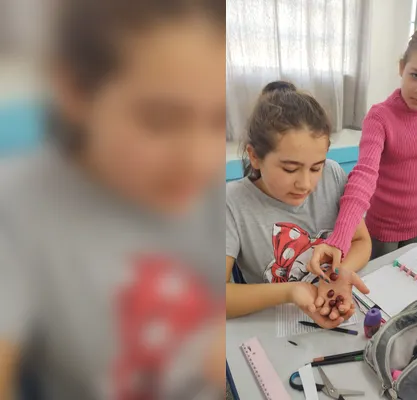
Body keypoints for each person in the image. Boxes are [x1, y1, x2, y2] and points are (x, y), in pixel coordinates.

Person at [0, 0, 226, 398]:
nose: (199, 160)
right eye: (161, 119)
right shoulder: (20, 210)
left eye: (217, 121)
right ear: (73, 90)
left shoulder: (204, 191)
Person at [307, 22, 417, 274]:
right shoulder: (379, 117)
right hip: (383, 230)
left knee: (411, 290)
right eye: (415, 75)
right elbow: (364, 175)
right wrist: (341, 237)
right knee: (376, 292)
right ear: (402, 67)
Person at [225, 81, 371, 326]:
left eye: (316, 167)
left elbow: (361, 240)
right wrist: (292, 291)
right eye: (290, 168)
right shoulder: (231, 203)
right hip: (273, 324)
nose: (306, 184)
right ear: (255, 157)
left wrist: (340, 272)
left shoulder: (333, 175)